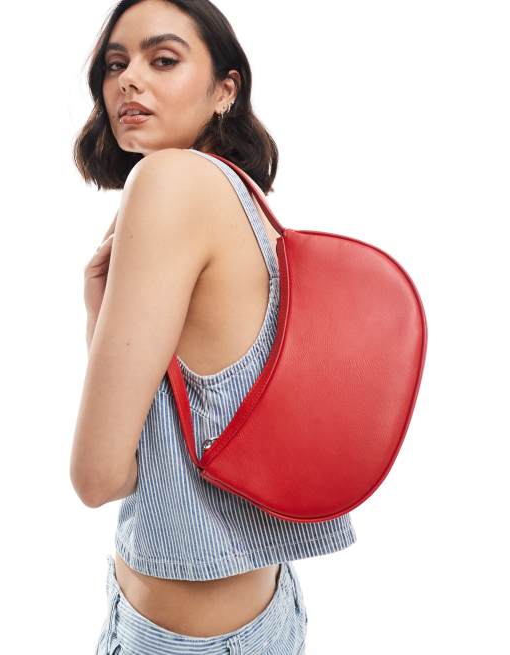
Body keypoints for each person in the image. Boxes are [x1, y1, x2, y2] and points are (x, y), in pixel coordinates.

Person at [70, 1, 357, 653]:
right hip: (262, 608)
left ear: (226, 89)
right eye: (115, 64)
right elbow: (155, 437)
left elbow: (99, 477)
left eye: (162, 59)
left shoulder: (168, 181)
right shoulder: (240, 196)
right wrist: (99, 311)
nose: (128, 80)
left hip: (182, 637)